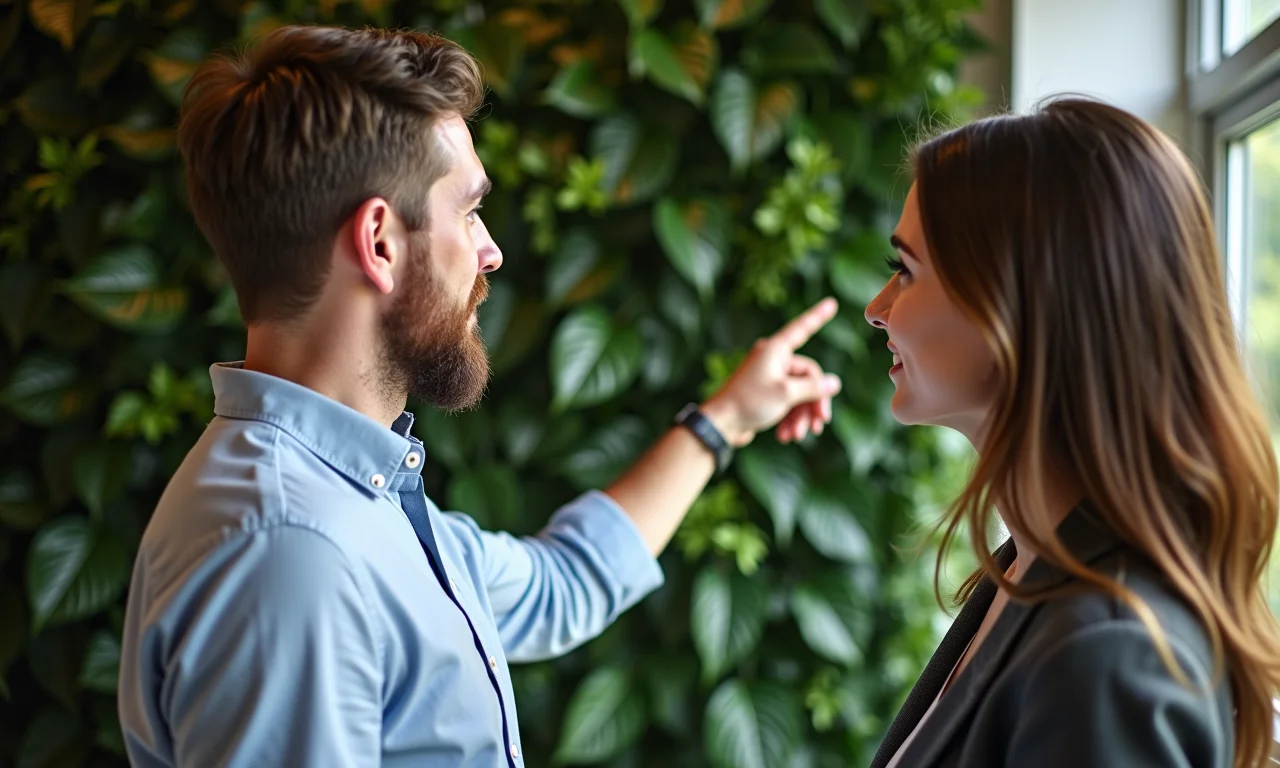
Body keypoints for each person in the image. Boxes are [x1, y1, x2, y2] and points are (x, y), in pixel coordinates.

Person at [117, 24, 844, 767]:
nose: (490, 249)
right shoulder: (292, 552)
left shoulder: (354, 493)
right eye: (467, 211)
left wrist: (723, 421)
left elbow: (561, 585)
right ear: (379, 242)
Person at [864, 97, 1280, 768]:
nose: (876, 309)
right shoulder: (1028, 567)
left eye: (905, 271)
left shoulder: (1109, 652)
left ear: (1020, 306)